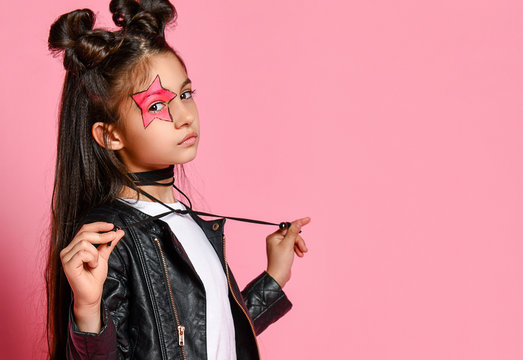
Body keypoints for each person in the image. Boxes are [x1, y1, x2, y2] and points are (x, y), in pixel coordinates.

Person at [44, 0, 311, 359]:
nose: (184, 116)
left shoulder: (185, 221)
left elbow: (211, 335)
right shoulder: (108, 237)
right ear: (110, 136)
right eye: (156, 105)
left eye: (185, 95)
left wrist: (275, 277)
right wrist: (88, 311)